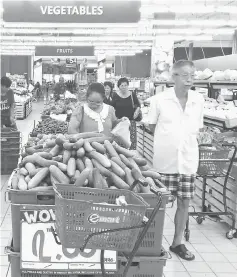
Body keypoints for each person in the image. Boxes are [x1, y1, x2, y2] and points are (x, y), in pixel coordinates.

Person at [147, 60, 204, 261]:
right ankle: (153, 243)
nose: (190, 79)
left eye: (193, 75)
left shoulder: (198, 99)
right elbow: (152, 126)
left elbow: (198, 128)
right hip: (166, 160)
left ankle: (178, 242)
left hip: (188, 159)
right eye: (185, 75)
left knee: (184, 201)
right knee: (159, 202)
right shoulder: (159, 100)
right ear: (174, 77)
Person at [111, 77, 141, 150]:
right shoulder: (115, 95)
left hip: (131, 121)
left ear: (128, 85)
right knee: (120, 141)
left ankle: (132, 156)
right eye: (122, 85)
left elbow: (138, 105)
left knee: (132, 141)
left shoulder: (132, 95)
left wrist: (137, 111)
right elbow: (111, 107)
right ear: (119, 87)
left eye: (125, 85)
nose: (124, 87)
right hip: (119, 122)